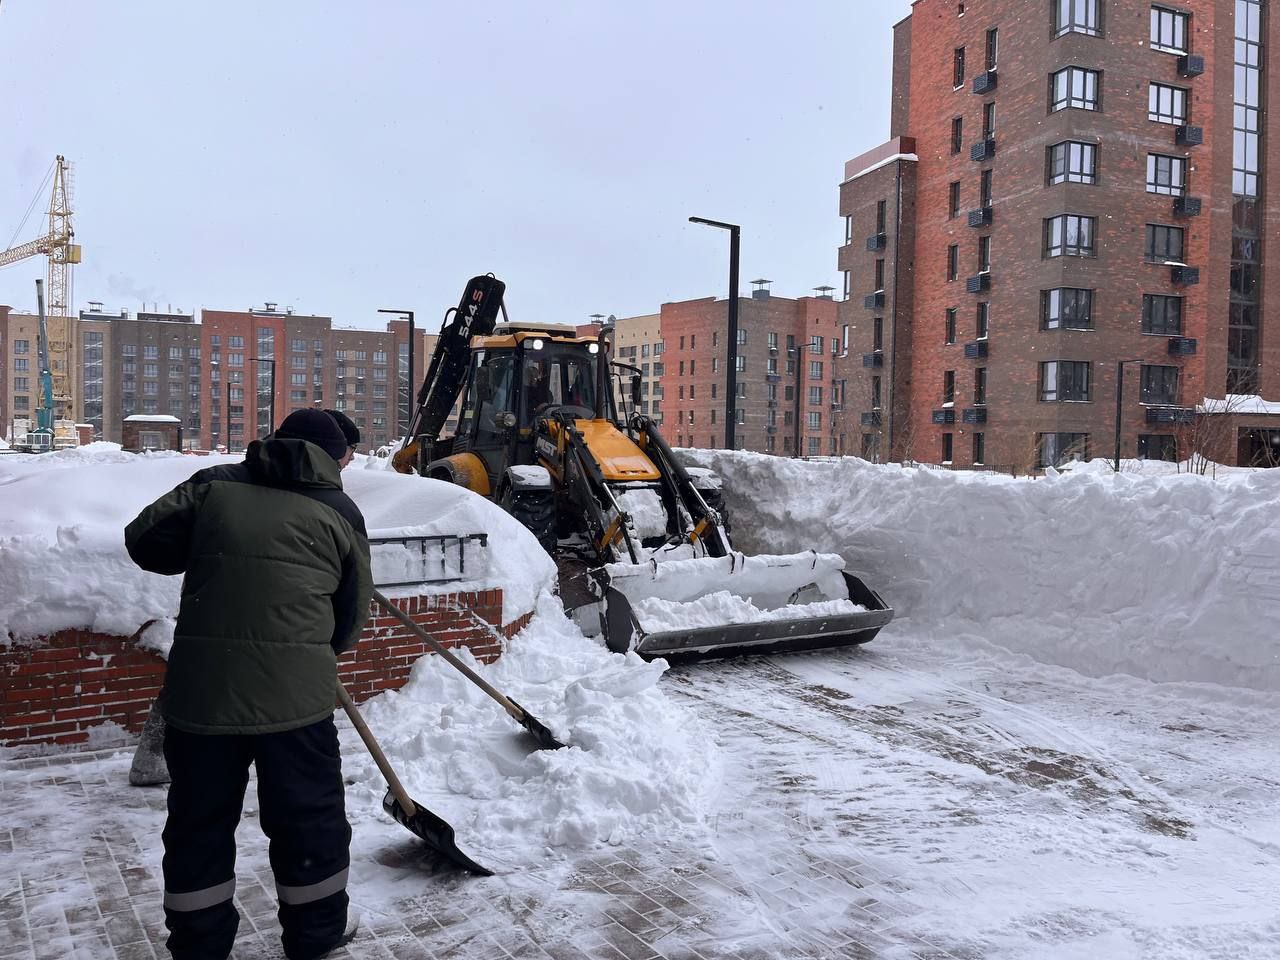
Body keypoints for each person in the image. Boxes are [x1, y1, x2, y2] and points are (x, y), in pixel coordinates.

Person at [125, 408, 374, 960]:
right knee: (309, 820)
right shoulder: (338, 508)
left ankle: (199, 945)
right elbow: (352, 614)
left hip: (203, 698)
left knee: (198, 825)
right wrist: (306, 656)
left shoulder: (216, 485)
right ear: (331, 457)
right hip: (297, 704)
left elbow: (146, 543)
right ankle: (316, 936)